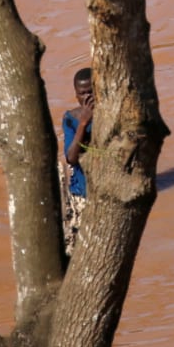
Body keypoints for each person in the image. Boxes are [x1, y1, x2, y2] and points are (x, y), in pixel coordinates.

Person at [59, 67, 93, 246]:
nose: (87, 98)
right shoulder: (72, 119)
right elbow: (71, 157)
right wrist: (83, 124)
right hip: (82, 192)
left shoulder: (111, 116)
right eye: (82, 94)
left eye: (91, 92)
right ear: (76, 96)